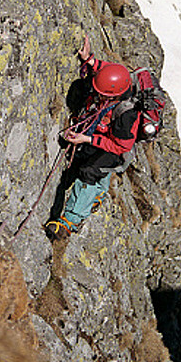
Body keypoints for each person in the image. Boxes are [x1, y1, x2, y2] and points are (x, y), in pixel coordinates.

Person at [45, 36, 140, 240]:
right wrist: (89, 59)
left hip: (116, 149)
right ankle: (96, 194)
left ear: (113, 95)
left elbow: (120, 147)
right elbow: (103, 70)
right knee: (89, 165)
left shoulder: (126, 115)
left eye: (102, 93)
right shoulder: (117, 79)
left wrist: (87, 140)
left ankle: (69, 221)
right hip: (101, 136)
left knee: (90, 172)